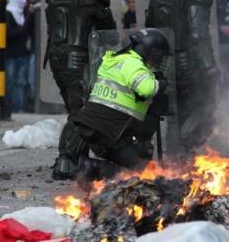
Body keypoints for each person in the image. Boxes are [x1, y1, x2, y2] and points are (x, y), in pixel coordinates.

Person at [45, 0, 117, 180]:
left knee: (75, 109)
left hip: (57, 60)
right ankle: (66, 160)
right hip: (78, 60)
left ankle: (76, 158)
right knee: (83, 112)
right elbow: (109, 31)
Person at [145, 0, 217, 153]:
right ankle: (187, 151)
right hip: (190, 65)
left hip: (164, 64)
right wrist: (209, 67)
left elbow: (150, 27)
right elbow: (198, 34)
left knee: (175, 113)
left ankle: (175, 158)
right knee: (203, 107)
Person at [72, 28, 170, 177]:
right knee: (140, 170)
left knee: (136, 158)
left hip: (91, 126)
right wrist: (161, 84)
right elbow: (146, 88)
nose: (159, 61)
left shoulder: (116, 60)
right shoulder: (134, 64)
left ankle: (94, 171)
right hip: (109, 129)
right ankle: (92, 168)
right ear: (151, 52)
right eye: (159, 56)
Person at [6, 0, 35, 113]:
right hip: (11, 55)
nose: (24, 2)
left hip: (23, 54)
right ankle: (9, 107)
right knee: (10, 82)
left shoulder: (24, 13)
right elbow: (9, 34)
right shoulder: (7, 14)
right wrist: (27, 21)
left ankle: (19, 107)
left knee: (21, 82)